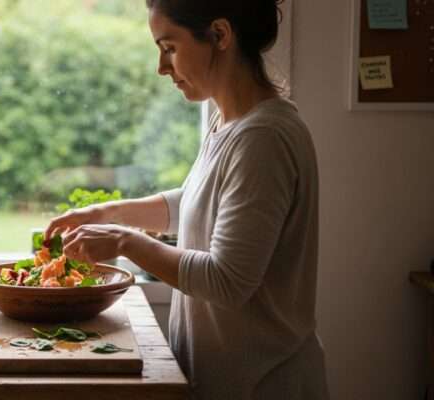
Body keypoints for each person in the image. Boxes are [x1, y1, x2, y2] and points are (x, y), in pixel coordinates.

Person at [43, 1, 329, 399]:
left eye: (170, 47)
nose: (161, 66)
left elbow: (227, 281)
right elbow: (200, 204)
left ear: (221, 35)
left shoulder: (262, 138)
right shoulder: (230, 122)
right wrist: (107, 213)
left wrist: (125, 242)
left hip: (263, 384)